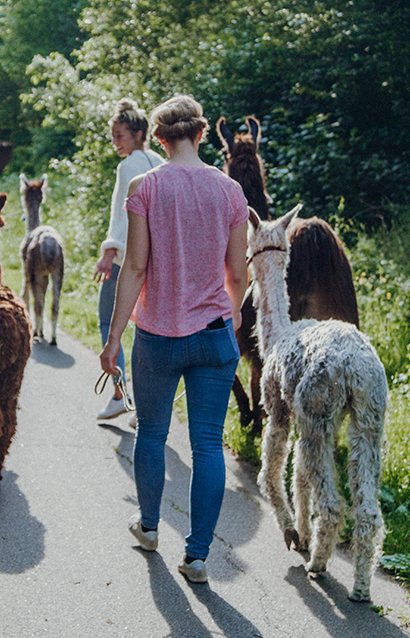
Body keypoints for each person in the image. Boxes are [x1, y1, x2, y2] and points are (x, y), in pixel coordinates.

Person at [99, 95, 249, 584]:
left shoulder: (145, 186)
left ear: (158, 137)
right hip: (213, 336)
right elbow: (238, 274)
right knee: (208, 445)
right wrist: (234, 316)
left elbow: (136, 266)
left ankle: (147, 526)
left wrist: (114, 336)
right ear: (202, 133)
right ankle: (199, 555)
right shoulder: (230, 190)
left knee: (153, 433)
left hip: (158, 338)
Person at [93, 98, 163, 422]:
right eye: (112, 135)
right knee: (147, 329)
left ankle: (120, 393)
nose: (114, 141)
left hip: (127, 258)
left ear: (137, 133)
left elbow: (123, 214)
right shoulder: (160, 160)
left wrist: (109, 253)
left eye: (119, 135)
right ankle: (148, 403)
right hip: (157, 259)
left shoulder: (128, 165)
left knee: (110, 322)